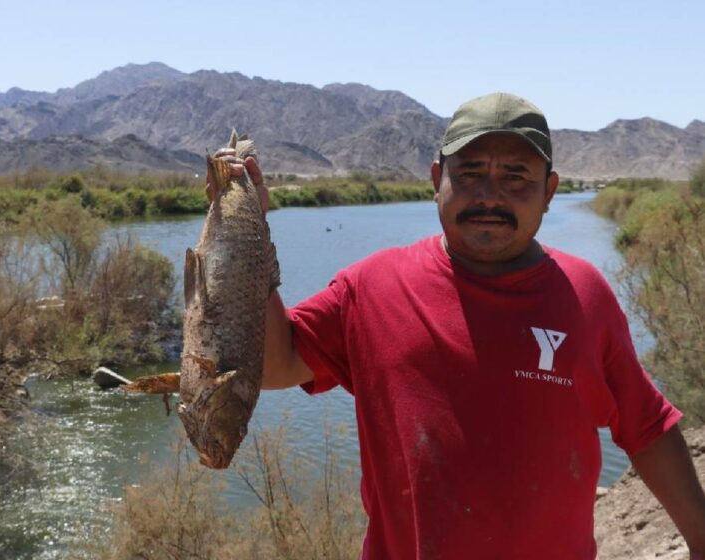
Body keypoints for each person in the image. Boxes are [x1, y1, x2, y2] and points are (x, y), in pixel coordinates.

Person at [214, 92, 705, 559]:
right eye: (470, 173)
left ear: (550, 191)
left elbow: (647, 429)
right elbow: (273, 366)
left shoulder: (585, 293)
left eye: (516, 176)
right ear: (436, 179)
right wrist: (247, 232)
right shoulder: (372, 286)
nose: (489, 196)